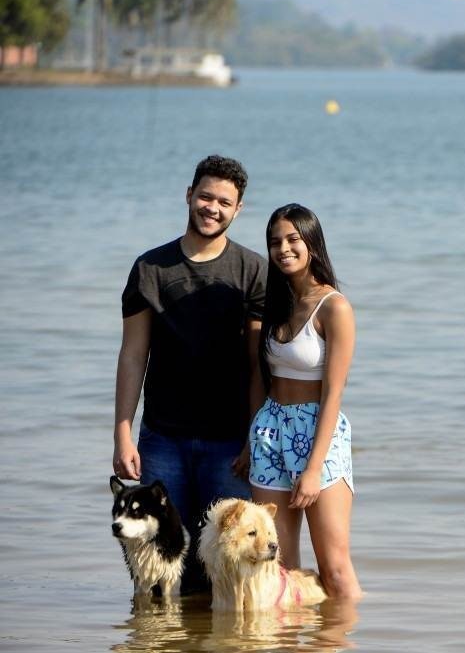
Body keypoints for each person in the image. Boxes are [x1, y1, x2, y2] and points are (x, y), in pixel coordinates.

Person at [112, 155, 267, 593]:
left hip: (229, 443)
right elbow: (132, 354)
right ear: (188, 195)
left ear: (238, 210)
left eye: (224, 201)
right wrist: (123, 434)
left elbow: (258, 364)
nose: (212, 207)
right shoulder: (150, 269)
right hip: (163, 439)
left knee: (225, 566)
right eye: (205, 196)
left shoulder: (253, 271)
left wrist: (253, 438)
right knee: (155, 568)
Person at [246, 203, 362, 601]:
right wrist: (250, 441)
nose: (284, 249)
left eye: (293, 239)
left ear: (312, 243)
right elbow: (260, 379)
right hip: (270, 431)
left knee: (334, 567)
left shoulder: (334, 307)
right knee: (277, 566)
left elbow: (334, 392)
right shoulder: (274, 304)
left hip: (318, 434)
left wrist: (313, 468)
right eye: (275, 242)